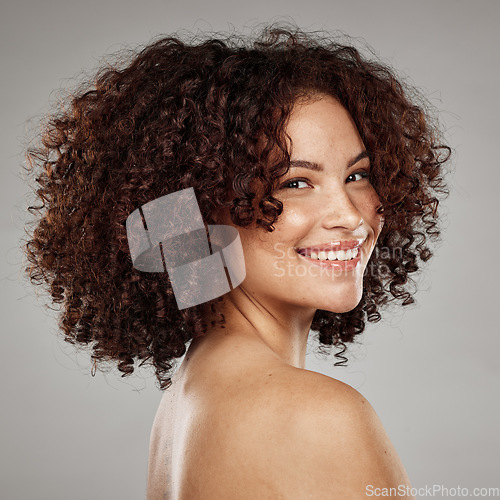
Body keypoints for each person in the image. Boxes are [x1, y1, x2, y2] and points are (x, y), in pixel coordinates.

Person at [23, 25, 450, 499]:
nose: (350, 216)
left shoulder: (191, 399)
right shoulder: (313, 414)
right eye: (294, 183)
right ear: (202, 209)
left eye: (358, 174)